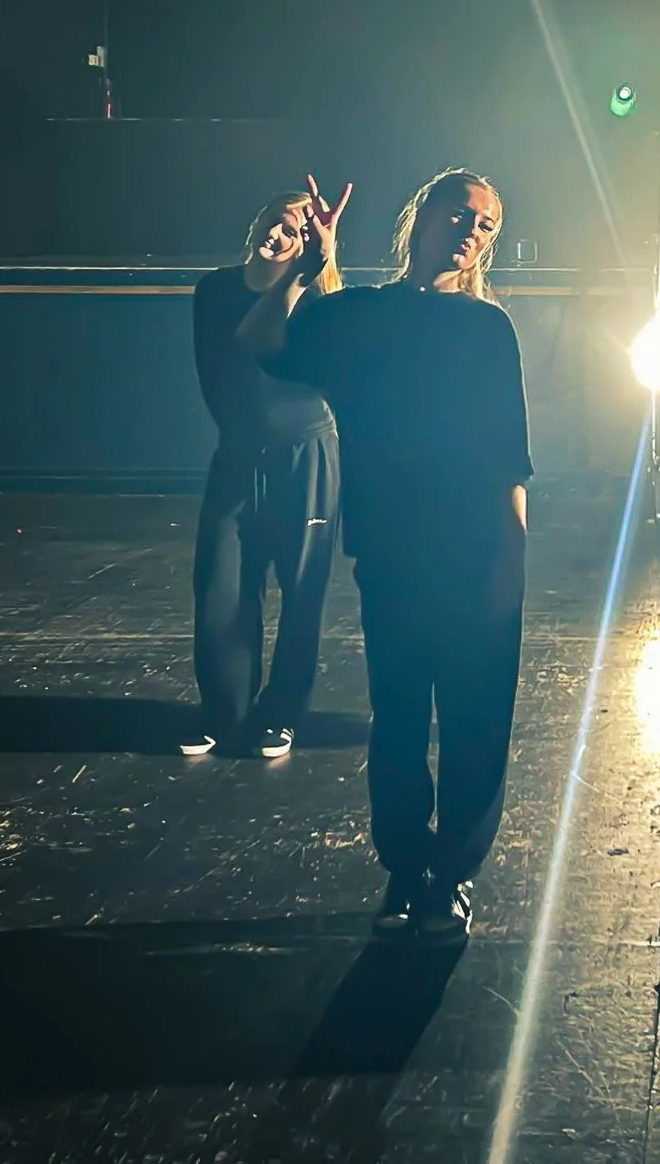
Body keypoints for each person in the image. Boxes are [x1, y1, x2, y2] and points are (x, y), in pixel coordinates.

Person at [238, 169, 531, 947]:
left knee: (474, 722)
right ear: (421, 216)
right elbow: (258, 342)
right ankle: (406, 869)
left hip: (475, 551)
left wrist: (513, 557)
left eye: (486, 224)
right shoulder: (359, 315)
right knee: (398, 718)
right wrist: (304, 270)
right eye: (461, 213)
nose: (472, 231)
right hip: (394, 553)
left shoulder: (487, 328)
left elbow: (509, 455)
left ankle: (452, 875)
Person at [183, 192, 343, 760]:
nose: (280, 233)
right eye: (276, 221)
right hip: (238, 456)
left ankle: (283, 714)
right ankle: (223, 712)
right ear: (257, 223)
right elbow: (217, 368)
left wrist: (308, 273)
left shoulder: (318, 301)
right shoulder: (214, 289)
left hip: (307, 456)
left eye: (295, 230)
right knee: (220, 585)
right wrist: (240, 440)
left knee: (302, 591)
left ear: (307, 248)